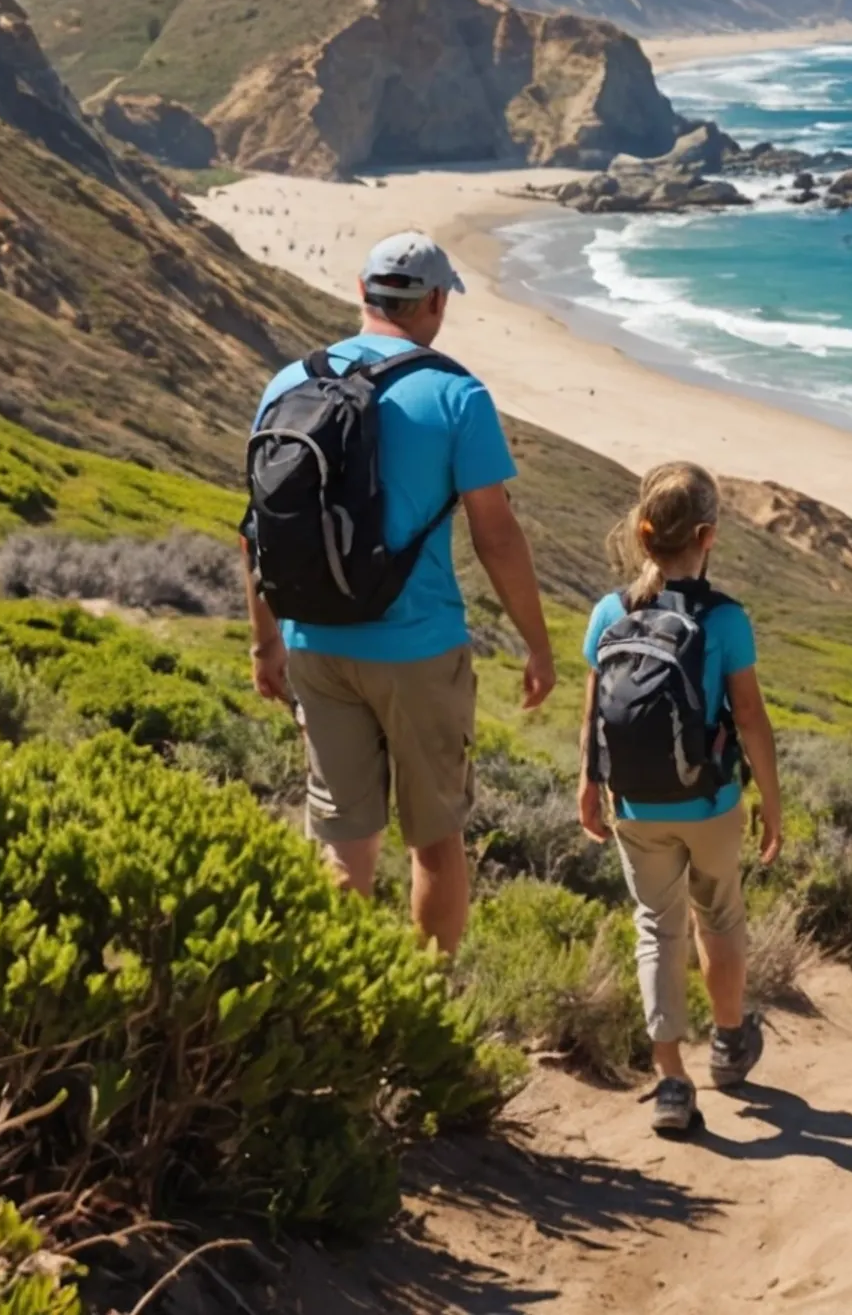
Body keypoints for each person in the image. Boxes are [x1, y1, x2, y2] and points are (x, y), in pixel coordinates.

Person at [242, 231, 556, 955]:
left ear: (362, 291)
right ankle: (429, 1006)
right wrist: (537, 644)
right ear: (437, 302)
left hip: (313, 640)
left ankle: (340, 1005)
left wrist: (265, 640)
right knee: (436, 842)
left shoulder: (287, 383)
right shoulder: (455, 393)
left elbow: (257, 528)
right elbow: (496, 536)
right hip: (417, 646)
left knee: (343, 848)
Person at [576, 463, 787, 1138]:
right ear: (706, 536)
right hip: (713, 800)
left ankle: (671, 1080)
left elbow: (593, 703)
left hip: (635, 804)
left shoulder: (612, 610)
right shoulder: (725, 619)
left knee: (655, 927)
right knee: (719, 916)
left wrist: (588, 780)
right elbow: (749, 716)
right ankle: (729, 1042)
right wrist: (772, 804)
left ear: (643, 533)